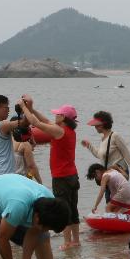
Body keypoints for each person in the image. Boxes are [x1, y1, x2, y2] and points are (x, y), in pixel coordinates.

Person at [20, 96, 81, 249]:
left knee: (64, 209)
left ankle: (67, 242)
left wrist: (23, 107)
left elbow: (35, 123)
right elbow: (45, 121)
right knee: (73, 209)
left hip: (61, 177)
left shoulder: (59, 130)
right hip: (72, 175)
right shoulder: (68, 130)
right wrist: (31, 108)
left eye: (58, 114)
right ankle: (76, 241)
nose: (55, 115)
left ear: (64, 117)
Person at [81, 111, 130, 181]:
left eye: (96, 125)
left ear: (102, 125)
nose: (95, 127)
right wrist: (89, 145)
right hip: (109, 173)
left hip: (119, 172)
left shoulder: (115, 136)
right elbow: (100, 155)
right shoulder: (103, 138)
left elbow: (126, 152)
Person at [10, 115, 41, 182]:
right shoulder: (24, 144)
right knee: (32, 171)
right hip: (21, 180)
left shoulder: (6, 141)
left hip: (9, 179)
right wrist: (39, 183)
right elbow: (32, 167)